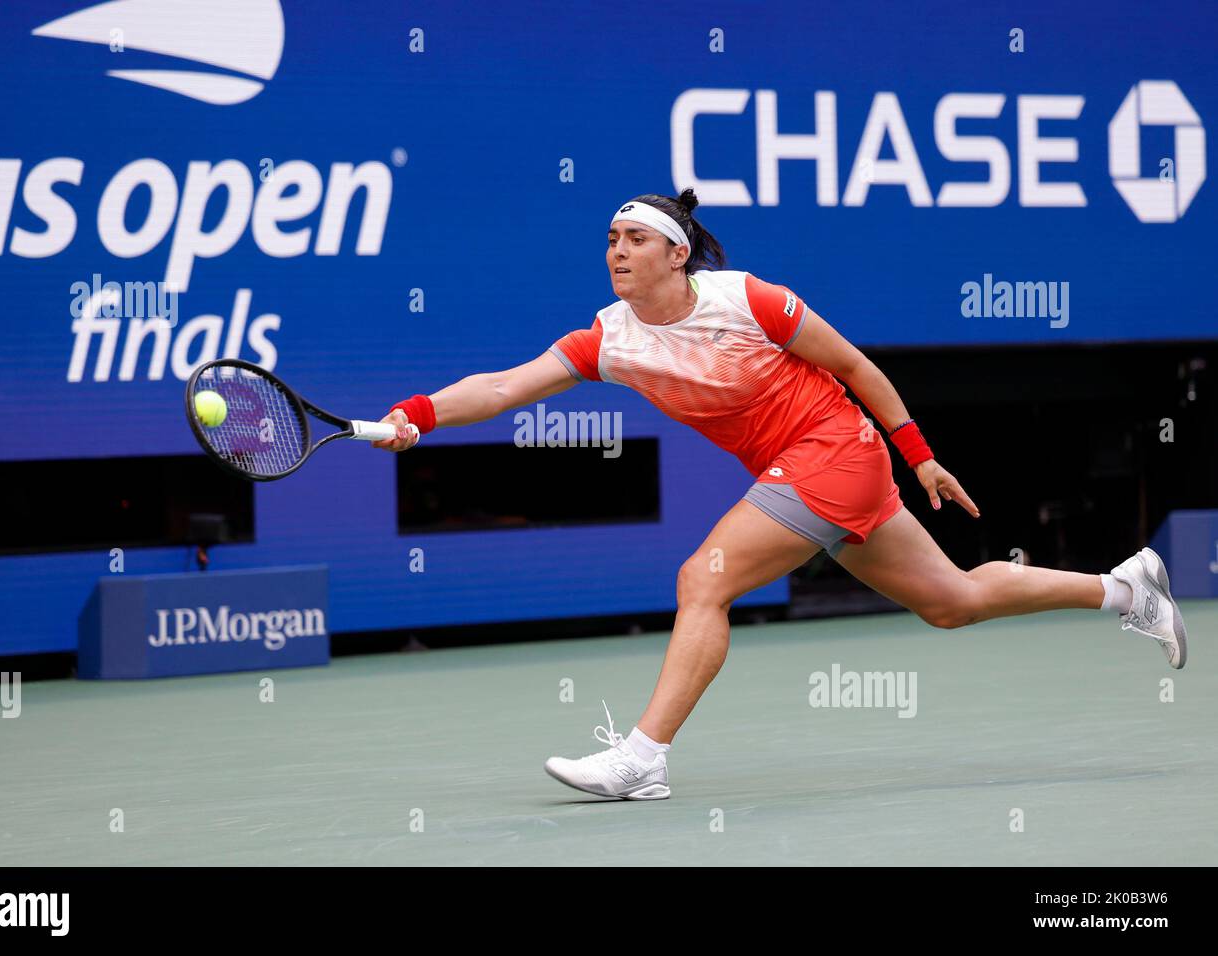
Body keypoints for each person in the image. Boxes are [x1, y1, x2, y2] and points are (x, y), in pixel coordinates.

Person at [374, 188, 1188, 801]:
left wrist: (921, 456)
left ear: (676, 253)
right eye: (611, 240)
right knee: (952, 602)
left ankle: (643, 758)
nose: (616, 251)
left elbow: (854, 367)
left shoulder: (746, 300)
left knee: (704, 579)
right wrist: (416, 416)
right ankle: (1125, 588)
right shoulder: (608, 339)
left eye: (634, 240)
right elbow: (507, 386)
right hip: (812, 471)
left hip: (834, 451)